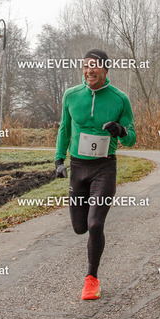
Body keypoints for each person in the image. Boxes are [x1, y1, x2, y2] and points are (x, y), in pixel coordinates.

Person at [55, 49, 136, 300]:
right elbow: (64, 129)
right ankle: (91, 265)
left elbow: (132, 138)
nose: (89, 70)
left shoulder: (120, 99)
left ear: (105, 69)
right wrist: (58, 160)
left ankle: (91, 278)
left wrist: (120, 130)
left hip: (104, 168)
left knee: (95, 224)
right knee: (80, 227)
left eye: (95, 66)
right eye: (86, 65)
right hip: (78, 167)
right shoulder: (71, 95)